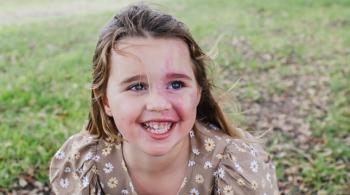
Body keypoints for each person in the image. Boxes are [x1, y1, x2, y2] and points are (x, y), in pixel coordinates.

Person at [49, 3, 279, 195]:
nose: (158, 104)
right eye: (137, 86)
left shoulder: (233, 166)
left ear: (198, 92)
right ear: (105, 101)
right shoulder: (87, 164)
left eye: (176, 84)